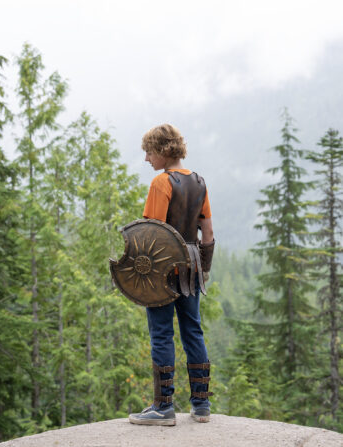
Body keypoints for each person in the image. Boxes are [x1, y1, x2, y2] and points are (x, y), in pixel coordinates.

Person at [128, 124, 215, 426]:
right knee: (193, 330)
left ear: (164, 150)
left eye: (149, 152)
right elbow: (208, 232)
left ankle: (163, 407)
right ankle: (201, 404)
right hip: (190, 268)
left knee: (162, 332)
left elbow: (150, 234)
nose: (147, 159)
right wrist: (203, 270)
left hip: (163, 269)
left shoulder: (161, 183)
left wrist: (143, 276)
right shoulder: (199, 182)